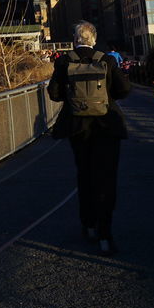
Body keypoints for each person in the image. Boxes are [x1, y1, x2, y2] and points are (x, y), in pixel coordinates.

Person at [47, 20, 131, 255]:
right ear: (94, 38)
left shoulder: (64, 61)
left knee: (84, 175)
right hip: (107, 126)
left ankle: (89, 224)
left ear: (75, 40)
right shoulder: (106, 60)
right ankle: (106, 233)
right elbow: (124, 90)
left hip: (78, 127)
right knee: (106, 179)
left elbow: (54, 94)